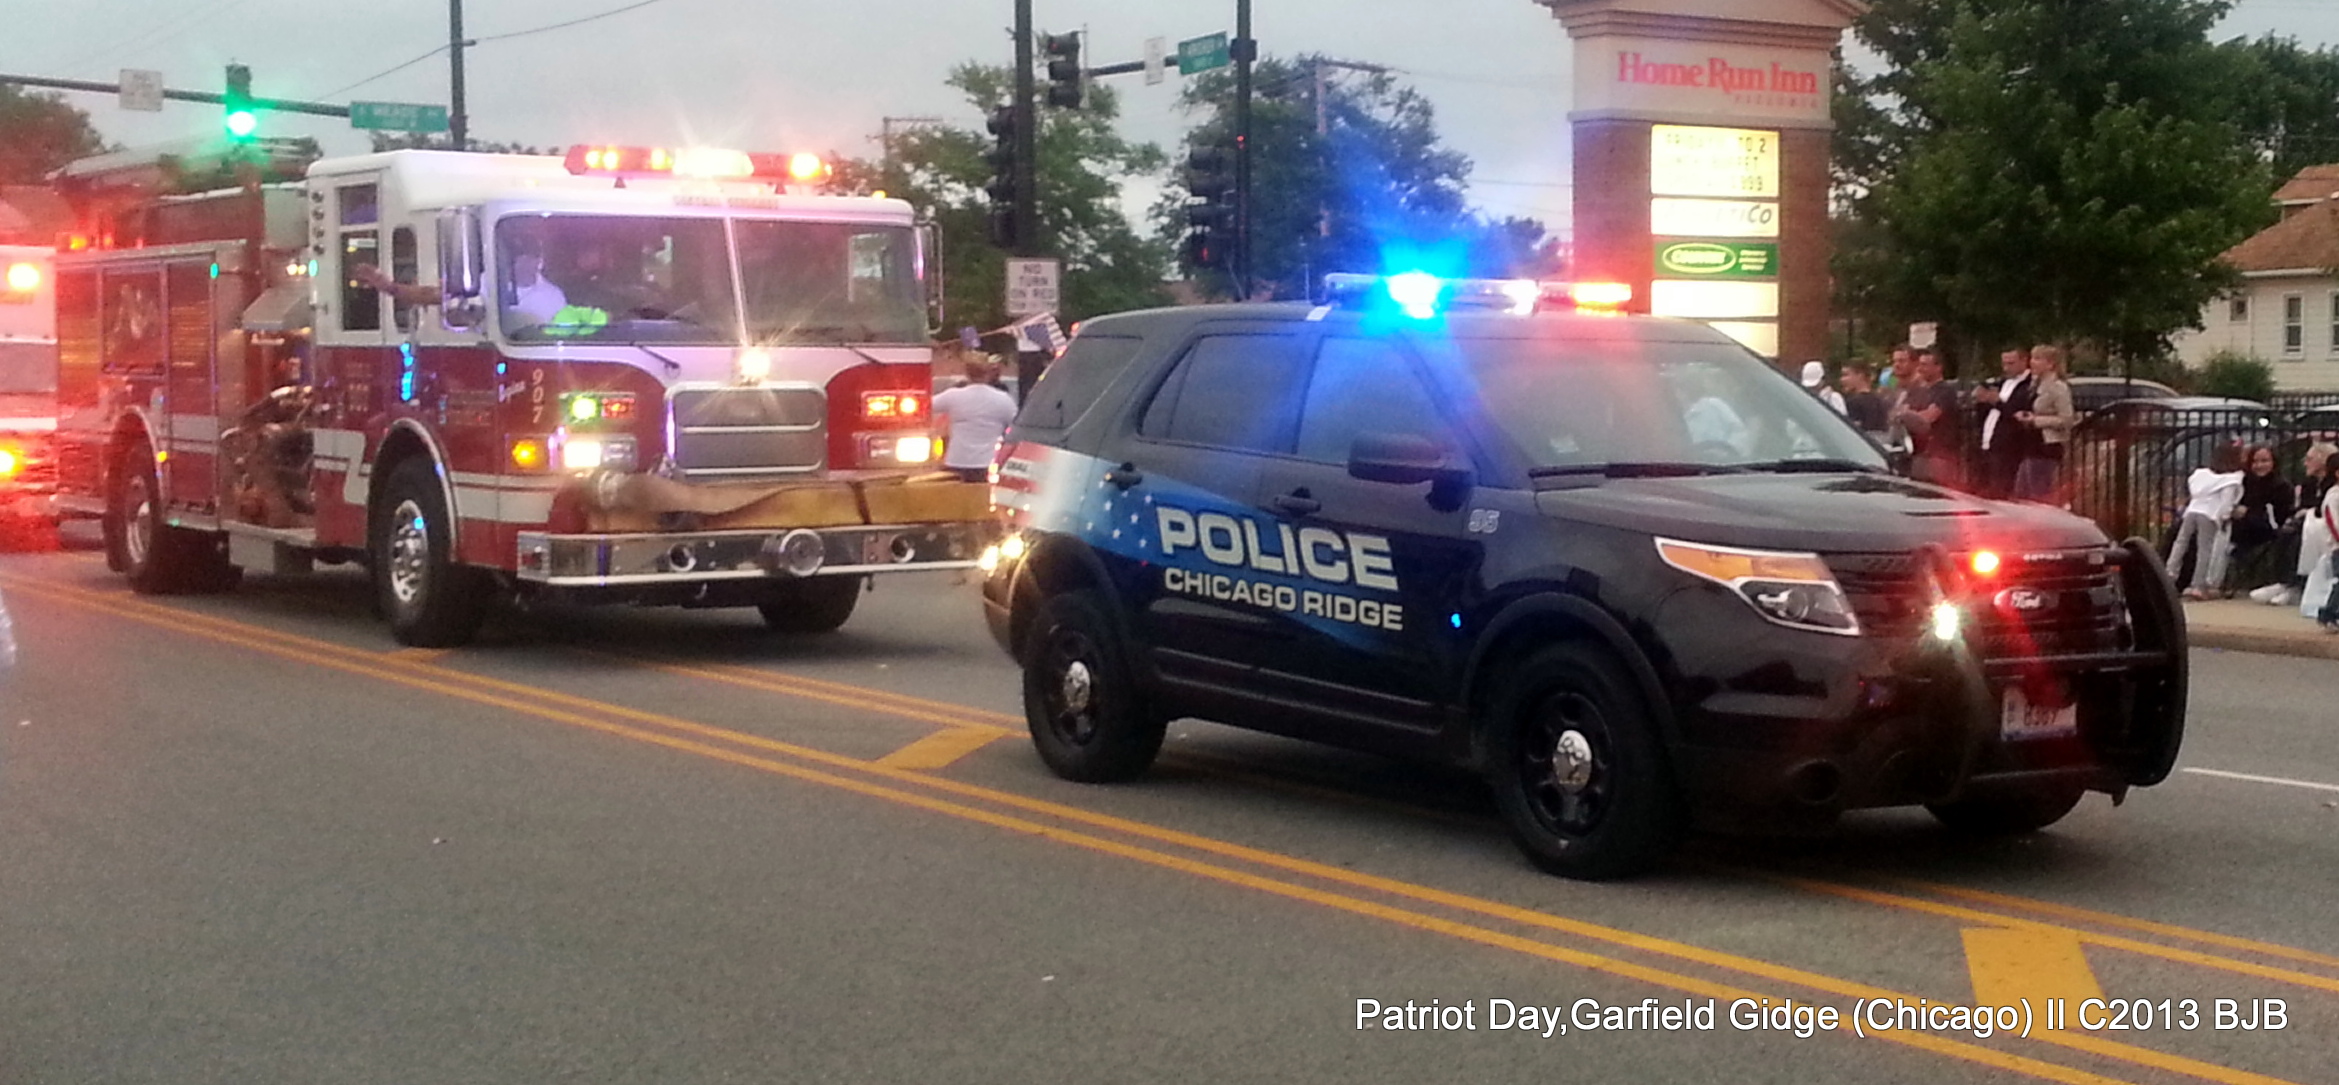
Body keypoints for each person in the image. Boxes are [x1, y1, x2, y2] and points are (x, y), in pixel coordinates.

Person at [2169, 443, 2246, 600]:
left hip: (2192, 511)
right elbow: (2226, 502)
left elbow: (2194, 493)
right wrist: (2225, 517)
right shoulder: (2231, 479)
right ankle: (2198, 585)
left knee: (2180, 542)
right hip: (2209, 515)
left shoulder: (2201, 475)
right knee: (2204, 549)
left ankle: (2170, 571)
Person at [930, 353, 1018, 483]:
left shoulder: (953, 396)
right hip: (989, 462)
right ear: (988, 373)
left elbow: (926, 407)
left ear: (966, 373)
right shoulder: (1003, 399)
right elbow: (1015, 428)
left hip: (957, 460)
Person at [2224, 444, 2296, 594]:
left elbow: (2277, 520)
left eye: (2264, 461)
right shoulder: (2243, 483)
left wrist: (2249, 513)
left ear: (2274, 462)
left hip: (2266, 530)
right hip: (2238, 527)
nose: (2259, 465)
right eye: (2255, 461)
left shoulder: (2282, 486)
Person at [2012, 344, 2073, 503]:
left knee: (2039, 493)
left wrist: (2036, 420)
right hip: (2030, 445)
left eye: (2038, 359)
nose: (2032, 362)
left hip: (2046, 446)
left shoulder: (2058, 387)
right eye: (2032, 358)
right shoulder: (2035, 385)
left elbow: (2066, 419)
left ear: (2050, 364)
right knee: (2022, 493)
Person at [1974, 346, 2036, 498]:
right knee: (1982, 490)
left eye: (2011, 363)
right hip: (1989, 441)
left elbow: (2018, 413)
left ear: (2024, 361)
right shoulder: (2001, 383)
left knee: (2001, 491)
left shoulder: (2029, 385)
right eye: (2004, 363)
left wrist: (1997, 402)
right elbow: (1988, 412)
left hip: (2009, 446)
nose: (2006, 368)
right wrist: (1982, 401)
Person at [1897, 349, 1960, 485]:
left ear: (1938, 368)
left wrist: (1909, 414)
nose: (1920, 369)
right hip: (1917, 455)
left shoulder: (1945, 391)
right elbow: (1899, 412)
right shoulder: (1917, 391)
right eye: (1919, 364)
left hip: (1939, 455)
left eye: (1925, 365)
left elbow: (1929, 417)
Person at [1838, 362, 1889, 439]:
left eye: (1846, 375)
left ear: (1860, 376)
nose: (1841, 379)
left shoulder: (1854, 402)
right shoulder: (1880, 400)